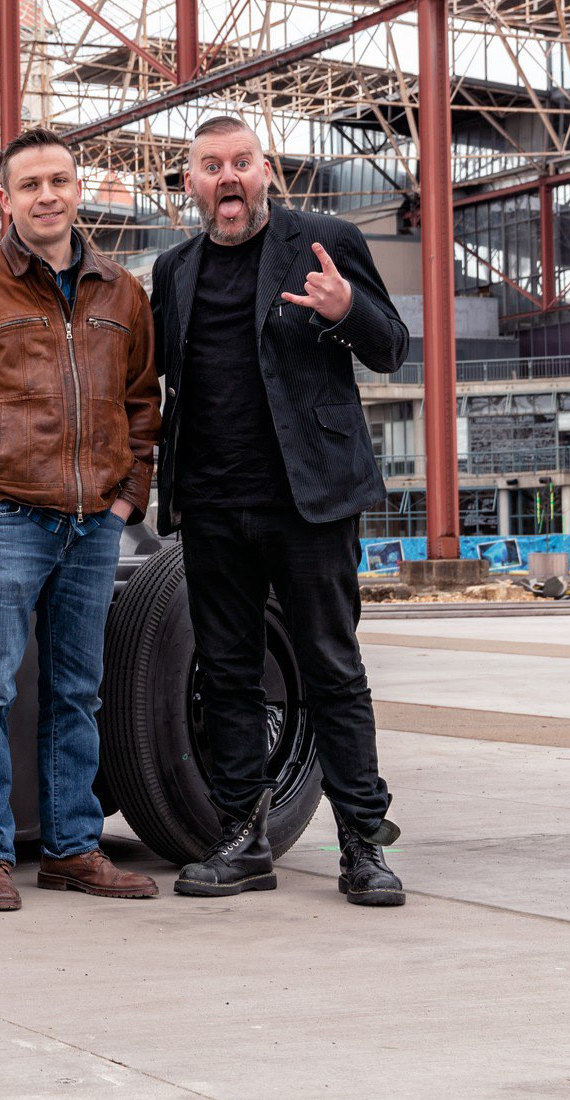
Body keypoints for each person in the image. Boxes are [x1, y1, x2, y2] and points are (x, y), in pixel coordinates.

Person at [150, 115, 410, 906]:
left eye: (242, 162)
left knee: (332, 668)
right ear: (191, 183)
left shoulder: (325, 241)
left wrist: (346, 309)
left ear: (266, 172)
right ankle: (243, 839)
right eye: (211, 166)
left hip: (310, 500)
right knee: (228, 674)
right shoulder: (174, 269)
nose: (228, 177)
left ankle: (362, 844)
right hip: (211, 502)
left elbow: (391, 347)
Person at [0, 126, 162, 911]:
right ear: (6, 200)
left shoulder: (122, 292)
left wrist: (127, 499)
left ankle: (71, 850)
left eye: (59, 181)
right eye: (30, 185)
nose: (46, 196)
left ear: (77, 190)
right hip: (2, 517)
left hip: (93, 524)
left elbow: (143, 404)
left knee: (77, 693)